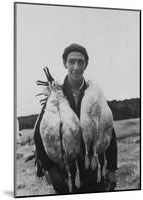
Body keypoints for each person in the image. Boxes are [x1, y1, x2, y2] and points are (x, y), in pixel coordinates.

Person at [34, 43, 118, 194]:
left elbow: (108, 130)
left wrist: (111, 168)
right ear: (64, 63)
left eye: (81, 62)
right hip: (67, 176)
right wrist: (52, 171)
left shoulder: (96, 94)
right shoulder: (56, 95)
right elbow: (39, 136)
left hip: (95, 173)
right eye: (71, 61)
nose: (76, 66)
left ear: (86, 64)